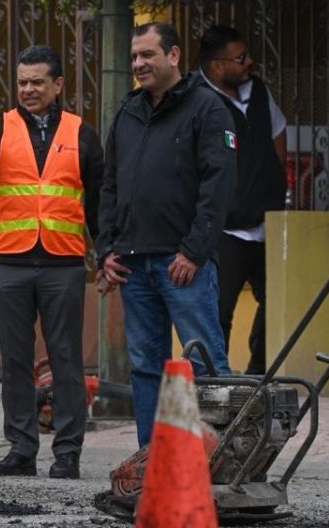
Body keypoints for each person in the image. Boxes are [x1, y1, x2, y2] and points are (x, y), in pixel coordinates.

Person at [0, 45, 104, 479]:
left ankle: (67, 452)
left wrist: (106, 252)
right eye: (22, 82)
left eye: (37, 82)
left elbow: (100, 201)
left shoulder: (81, 132)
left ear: (58, 85)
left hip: (62, 262)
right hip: (8, 262)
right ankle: (21, 450)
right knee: (14, 359)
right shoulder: (0, 125)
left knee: (66, 358)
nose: (28, 89)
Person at [96, 23, 236, 448]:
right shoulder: (128, 112)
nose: (138, 64)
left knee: (204, 364)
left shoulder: (207, 108)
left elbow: (220, 184)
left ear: (173, 55)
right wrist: (106, 249)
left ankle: (220, 462)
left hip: (183, 266)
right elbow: (109, 185)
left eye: (147, 55)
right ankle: (151, 463)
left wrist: (193, 251)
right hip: (134, 265)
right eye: (134, 56)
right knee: (144, 367)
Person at [198, 25, 287, 376]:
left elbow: (278, 134)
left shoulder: (259, 91)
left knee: (274, 305)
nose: (249, 62)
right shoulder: (196, 99)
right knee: (219, 311)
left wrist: (272, 184)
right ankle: (217, 381)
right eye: (240, 57)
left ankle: (256, 375)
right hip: (223, 229)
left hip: (266, 222)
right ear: (218, 65)